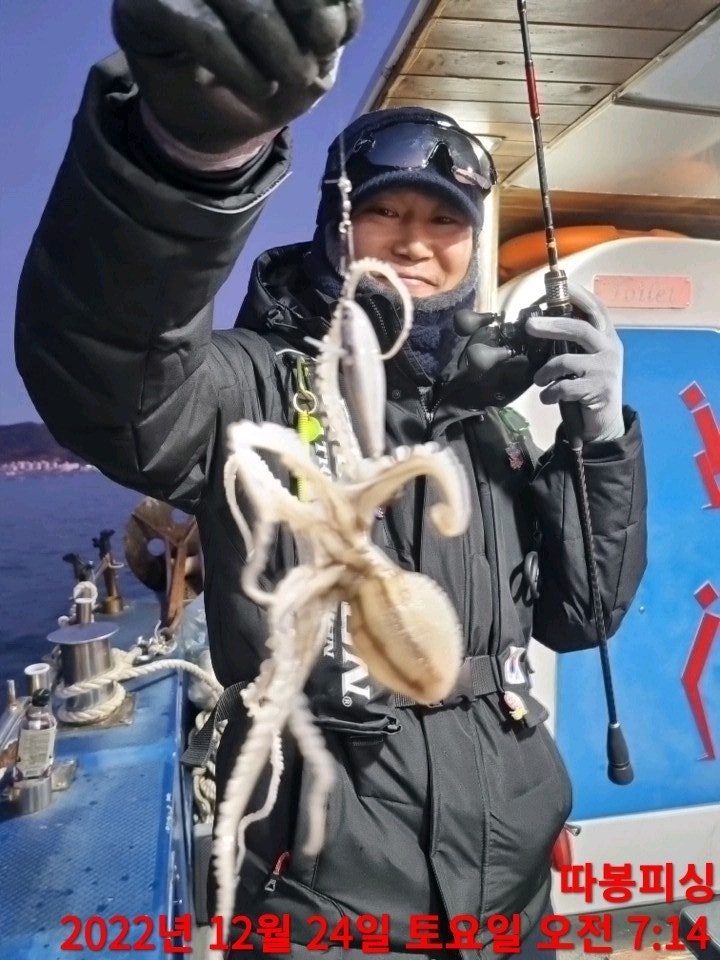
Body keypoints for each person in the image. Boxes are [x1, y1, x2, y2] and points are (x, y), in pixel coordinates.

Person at [15, 2, 648, 957]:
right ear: (335, 225)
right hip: (318, 904)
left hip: (514, 899)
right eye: (386, 210)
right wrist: (185, 162)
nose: (414, 241)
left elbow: (584, 614)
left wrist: (601, 437)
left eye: (444, 219)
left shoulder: (499, 427)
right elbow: (110, 380)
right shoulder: (256, 387)